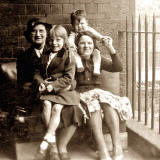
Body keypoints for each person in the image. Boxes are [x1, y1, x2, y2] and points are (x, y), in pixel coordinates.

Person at [74, 33, 132, 160]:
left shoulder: (97, 58)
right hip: (80, 94)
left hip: (97, 92)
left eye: (89, 43)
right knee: (93, 107)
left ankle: (117, 146)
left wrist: (110, 47)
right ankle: (102, 149)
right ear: (77, 46)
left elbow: (118, 67)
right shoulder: (73, 59)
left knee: (108, 104)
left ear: (93, 45)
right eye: (82, 43)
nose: (86, 46)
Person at [34, 25, 82, 160]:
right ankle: (52, 143)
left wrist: (52, 86)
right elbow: (37, 73)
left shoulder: (68, 55)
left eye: (58, 40)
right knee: (46, 105)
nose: (54, 43)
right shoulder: (45, 54)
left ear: (65, 40)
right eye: (52, 40)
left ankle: (46, 142)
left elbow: (68, 78)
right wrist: (41, 83)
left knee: (56, 108)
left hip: (63, 89)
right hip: (48, 89)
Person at [16, 17, 52, 114]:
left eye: (41, 31)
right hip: (34, 96)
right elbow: (22, 83)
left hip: (54, 92)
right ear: (29, 34)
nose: (38, 35)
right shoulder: (23, 57)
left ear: (47, 33)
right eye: (33, 31)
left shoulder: (54, 51)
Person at [69, 9, 109, 75]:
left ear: (87, 23)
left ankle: (96, 68)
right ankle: (79, 64)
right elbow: (70, 39)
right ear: (72, 25)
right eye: (76, 24)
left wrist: (102, 38)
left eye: (82, 23)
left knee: (97, 53)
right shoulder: (74, 33)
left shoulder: (90, 30)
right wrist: (71, 44)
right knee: (73, 52)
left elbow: (97, 35)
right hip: (79, 50)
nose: (79, 26)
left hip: (92, 49)